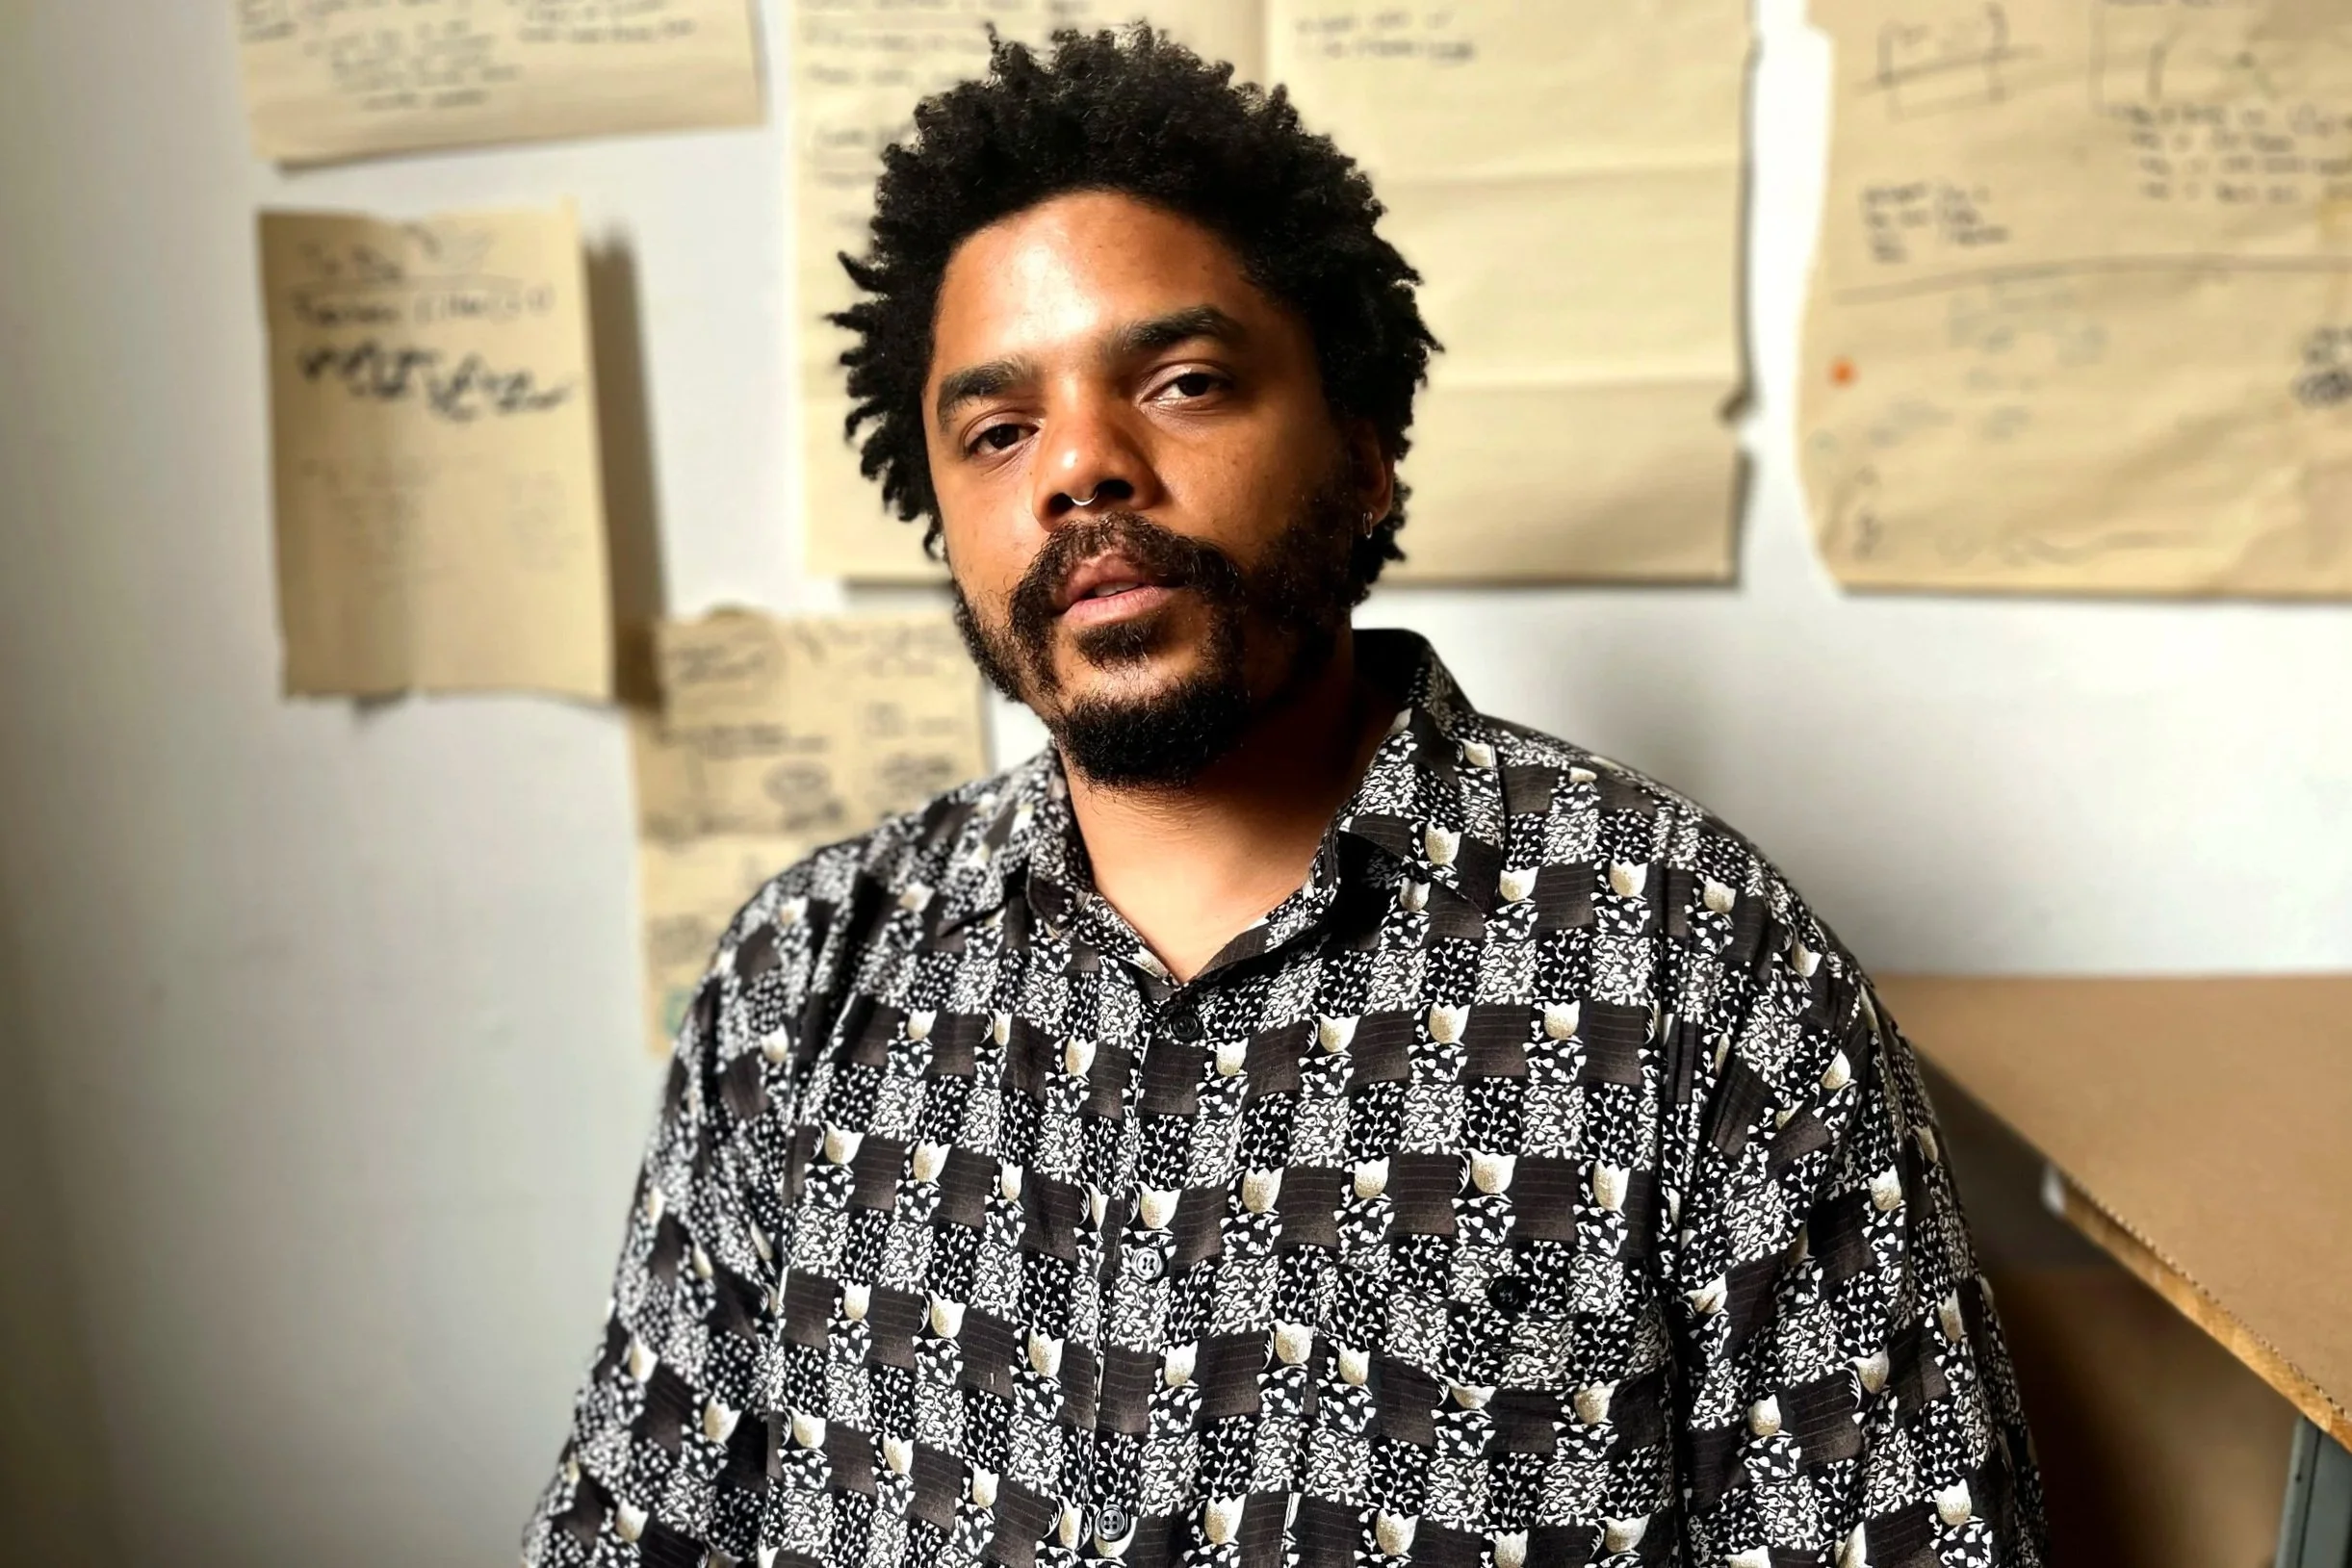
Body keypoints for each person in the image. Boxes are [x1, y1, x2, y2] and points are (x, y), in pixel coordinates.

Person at [526, 28, 2046, 1568]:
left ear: (1362, 455)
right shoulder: (801, 981)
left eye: (1182, 384)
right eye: (997, 432)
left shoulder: (1695, 964)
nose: (1080, 468)